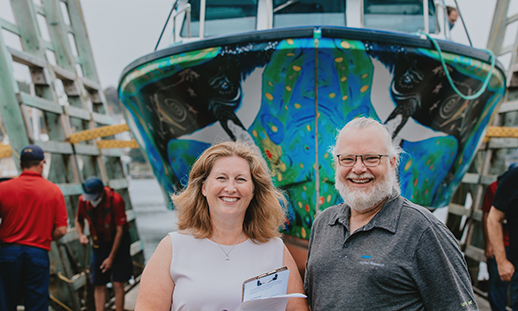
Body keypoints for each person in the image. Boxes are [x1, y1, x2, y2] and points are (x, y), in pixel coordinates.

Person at [304, 117, 477, 310]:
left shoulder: (423, 231)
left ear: (393, 163)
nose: (359, 168)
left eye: (371, 158)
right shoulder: (324, 223)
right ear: (337, 165)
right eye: (348, 159)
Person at [135, 141, 308, 311]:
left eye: (240, 179)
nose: (231, 188)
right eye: (221, 178)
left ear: (254, 191)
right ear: (203, 188)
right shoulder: (172, 248)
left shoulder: (275, 250)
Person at [0, 144, 68, 311]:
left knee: (5, 301)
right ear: (41, 164)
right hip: (38, 252)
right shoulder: (53, 191)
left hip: (8, 252)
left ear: (21, 164)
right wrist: (41, 235)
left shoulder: (3, 188)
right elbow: (61, 230)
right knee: (37, 303)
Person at [75, 177, 133, 311]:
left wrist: (111, 258)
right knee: (98, 283)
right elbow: (78, 220)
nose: (90, 200)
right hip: (99, 242)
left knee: (118, 282)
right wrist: (81, 235)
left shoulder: (116, 200)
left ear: (101, 193)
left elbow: (120, 231)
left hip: (118, 240)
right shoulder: (83, 200)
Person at [482, 164, 518, 311]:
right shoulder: (512, 178)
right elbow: (492, 217)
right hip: (511, 252)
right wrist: (501, 260)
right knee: (497, 288)